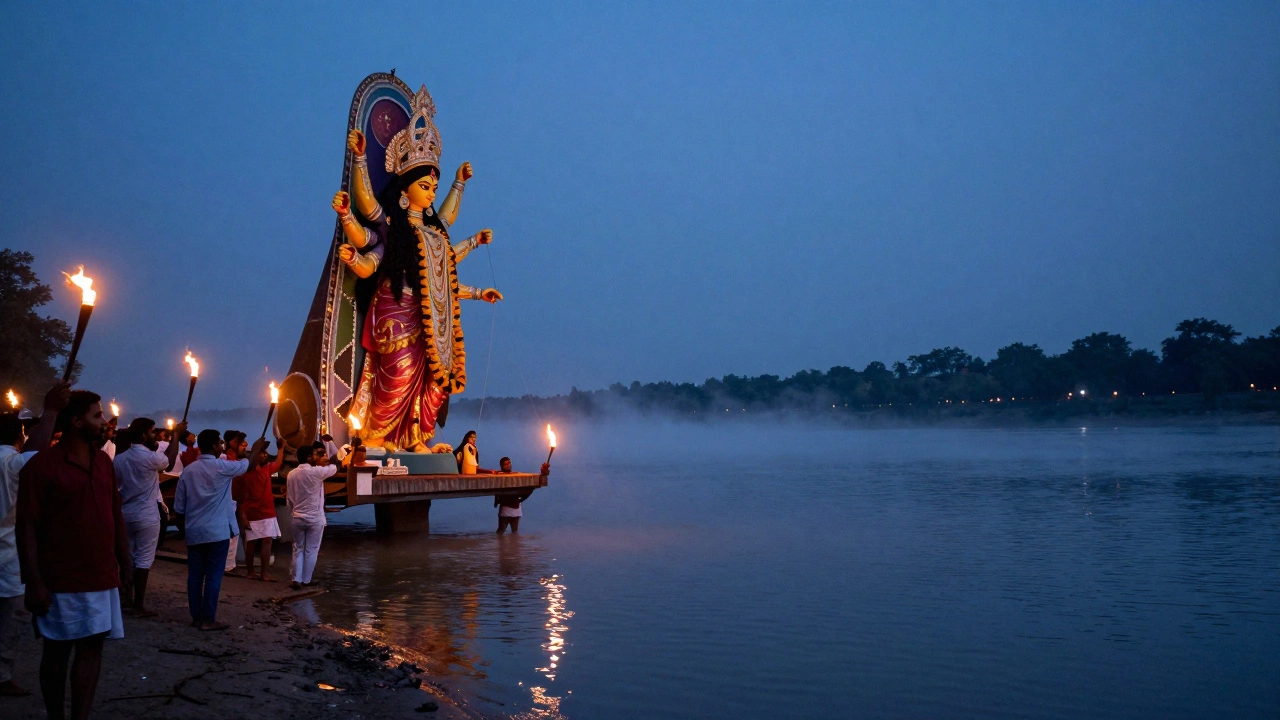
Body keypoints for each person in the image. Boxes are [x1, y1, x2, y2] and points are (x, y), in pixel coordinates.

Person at [335, 87, 502, 453]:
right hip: (396, 311)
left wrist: (478, 284)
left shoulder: (436, 236)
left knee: (431, 382)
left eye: (435, 187)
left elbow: (445, 278)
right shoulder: (395, 230)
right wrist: (358, 169)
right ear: (403, 191)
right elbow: (367, 261)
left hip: (433, 321)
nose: (430, 193)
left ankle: (415, 438)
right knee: (398, 375)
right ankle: (377, 436)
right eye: (425, 186)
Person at [16, 390, 131, 720]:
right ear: (77, 422)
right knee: (56, 652)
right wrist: (34, 581)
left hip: (100, 575)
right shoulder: (42, 467)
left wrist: (125, 561)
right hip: (59, 579)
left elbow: (115, 515)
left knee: (92, 648)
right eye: (97, 416)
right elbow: (27, 528)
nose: (105, 421)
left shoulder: (104, 463)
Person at [0, 382, 67, 698]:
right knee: (7, 624)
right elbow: (35, 456)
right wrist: (51, 412)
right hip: (6, 558)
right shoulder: (10, 463)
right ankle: (1, 677)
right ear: (18, 436)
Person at [174, 429, 267, 630]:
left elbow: (179, 507)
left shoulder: (188, 471)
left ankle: (196, 617)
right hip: (217, 532)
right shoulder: (222, 467)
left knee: (195, 576)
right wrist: (257, 448)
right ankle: (208, 619)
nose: (221, 447)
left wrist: (183, 531)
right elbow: (248, 465)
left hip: (195, 531)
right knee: (214, 576)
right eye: (219, 444)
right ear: (215, 446)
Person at [113, 417, 186, 616]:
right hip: (146, 514)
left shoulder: (120, 458)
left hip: (125, 513)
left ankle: (125, 598)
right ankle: (138, 605)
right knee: (143, 561)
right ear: (144, 434)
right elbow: (169, 462)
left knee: (126, 558)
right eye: (152, 431)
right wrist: (176, 436)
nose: (154, 435)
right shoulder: (149, 458)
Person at [287, 442, 337, 590]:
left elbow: (289, 498)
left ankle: (296, 578)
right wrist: (329, 452)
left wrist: (293, 511)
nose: (317, 457)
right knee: (311, 550)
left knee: (298, 548)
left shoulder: (291, 474)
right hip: (315, 518)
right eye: (315, 454)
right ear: (309, 457)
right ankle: (306, 580)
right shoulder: (317, 472)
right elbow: (334, 466)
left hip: (297, 516)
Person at [232, 439, 284, 582]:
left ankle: (251, 572)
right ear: (256, 456)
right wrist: (281, 449)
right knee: (265, 542)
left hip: (252, 513)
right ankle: (263, 574)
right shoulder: (254, 473)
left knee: (252, 542)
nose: (266, 455)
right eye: (262, 453)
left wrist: (280, 449)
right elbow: (279, 463)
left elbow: (239, 497)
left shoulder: (245, 473)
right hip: (263, 512)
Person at [219, 430, 248, 574]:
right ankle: (227, 566)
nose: (244, 445)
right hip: (229, 500)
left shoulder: (234, 458)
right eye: (239, 442)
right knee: (231, 533)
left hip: (236, 500)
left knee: (235, 532)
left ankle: (230, 563)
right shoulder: (227, 459)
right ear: (232, 443)